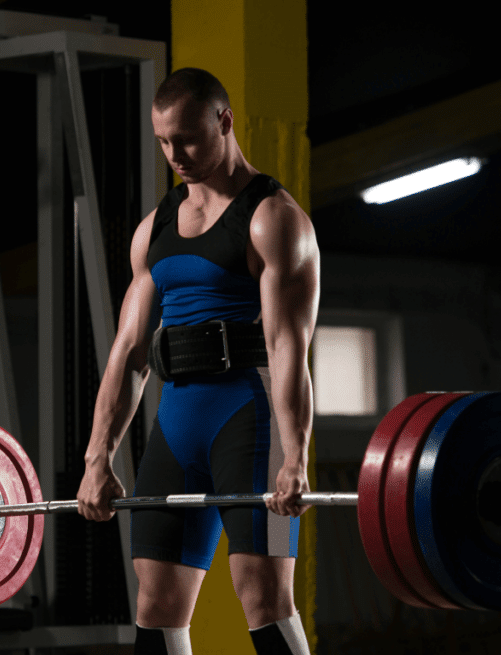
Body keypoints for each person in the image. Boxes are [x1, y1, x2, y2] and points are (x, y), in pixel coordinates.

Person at [76, 67, 319, 655]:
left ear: (224, 121)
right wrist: (96, 457)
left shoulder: (273, 218)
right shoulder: (153, 229)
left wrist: (296, 453)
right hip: (179, 424)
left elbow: (288, 346)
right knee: (155, 604)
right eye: (162, 140)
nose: (173, 153)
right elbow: (130, 353)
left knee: (262, 594)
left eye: (185, 137)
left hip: (251, 422)